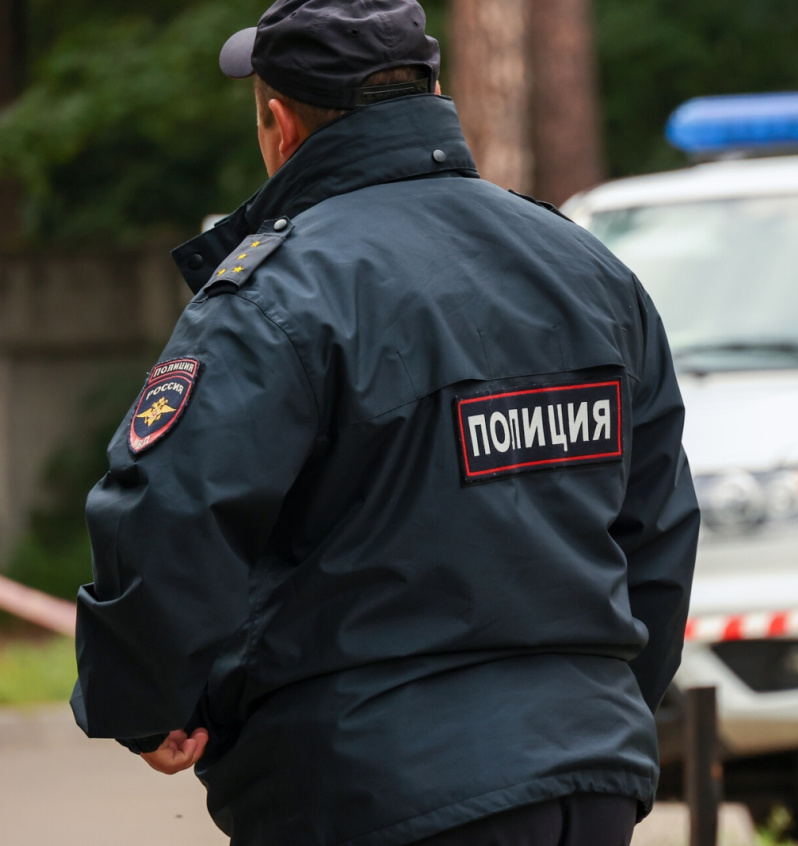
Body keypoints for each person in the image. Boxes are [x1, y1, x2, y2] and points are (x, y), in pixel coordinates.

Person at [70, 1, 700, 844]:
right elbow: (658, 528)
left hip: (375, 790)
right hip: (589, 788)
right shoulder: (588, 270)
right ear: (431, 93)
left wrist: (147, 704)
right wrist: (598, 710)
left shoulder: (280, 293)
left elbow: (171, 509)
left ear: (280, 125)